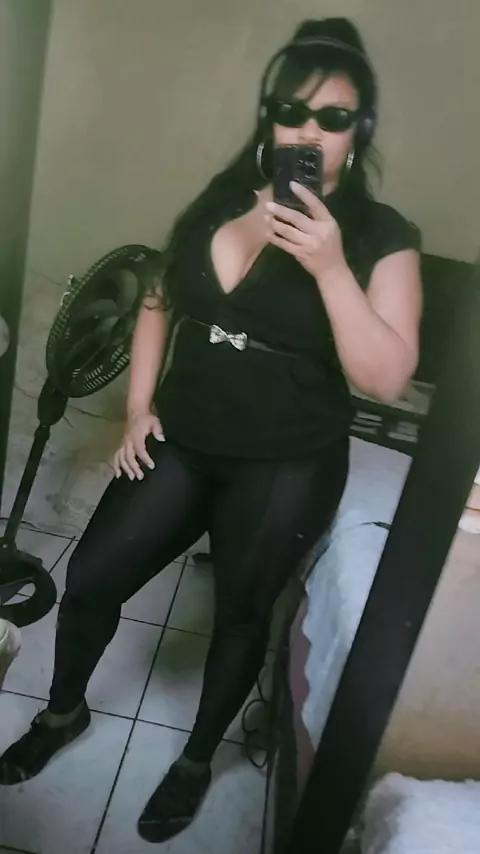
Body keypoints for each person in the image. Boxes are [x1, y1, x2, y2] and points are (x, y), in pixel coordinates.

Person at [0, 17, 422, 844]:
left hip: (287, 462)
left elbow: (386, 377)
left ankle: (195, 761)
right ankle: (62, 712)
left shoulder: (380, 236)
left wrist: (330, 266)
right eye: (291, 111)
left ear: (359, 128)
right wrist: (137, 407)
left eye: (333, 117)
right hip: (184, 439)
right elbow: (160, 296)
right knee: (90, 579)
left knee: (240, 616)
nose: (308, 131)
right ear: (269, 117)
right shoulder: (226, 198)